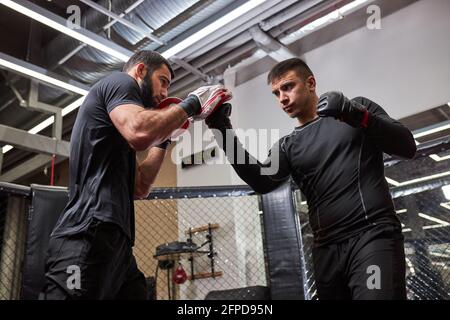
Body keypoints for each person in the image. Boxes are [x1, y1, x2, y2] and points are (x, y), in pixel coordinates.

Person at [206, 58, 416, 300]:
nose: (282, 98)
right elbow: (262, 181)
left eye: (287, 87)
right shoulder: (288, 145)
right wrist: (222, 129)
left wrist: (357, 115)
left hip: (371, 238)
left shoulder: (356, 108)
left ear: (311, 83)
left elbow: (407, 147)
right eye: (276, 93)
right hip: (326, 251)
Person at [41, 50, 231, 299]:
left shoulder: (117, 139)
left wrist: (164, 140)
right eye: (163, 81)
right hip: (87, 232)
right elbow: (139, 131)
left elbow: (140, 186)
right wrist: (192, 103)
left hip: (115, 242)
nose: (164, 93)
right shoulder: (119, 82)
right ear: (141, 71)